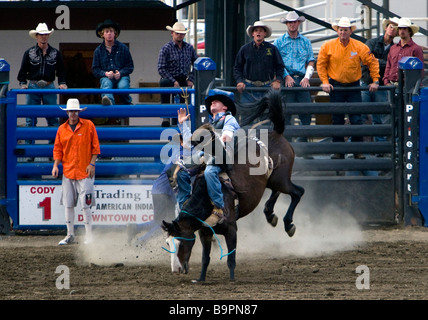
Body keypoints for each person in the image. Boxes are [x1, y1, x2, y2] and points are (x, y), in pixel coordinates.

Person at [316, 17, 380, 160]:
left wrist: (375, 80)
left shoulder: (359, 46)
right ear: (337, 31)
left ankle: (357, 150)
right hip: (336, 86)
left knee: (356, 119)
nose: (343, 32)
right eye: (341, 29)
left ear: (350, 31)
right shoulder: (328, 46)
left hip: (353, 87)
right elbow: (321, 64)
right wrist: (325, 81)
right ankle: (339, 151)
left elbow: (372, 61)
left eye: (345, 30)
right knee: (337, 119)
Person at [178, 89, 240, 225]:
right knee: (180, 171)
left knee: (210, 172)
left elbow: (228, 134)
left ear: (225, 107)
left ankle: (219, 207)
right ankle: (185, 205)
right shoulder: (210, 123)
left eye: (217, 101)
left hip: (222, 155)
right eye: (212, 101)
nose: (213, 101)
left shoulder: (229, 119)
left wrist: (225, 136)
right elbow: (190, 143)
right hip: (207, 154)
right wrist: (183, 124)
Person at [52, 98, 100, 245]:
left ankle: (89, 236)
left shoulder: (89, 125)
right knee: (68, 203)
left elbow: (95, 147)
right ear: (67, 112)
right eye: (71, 111)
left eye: (75, 111)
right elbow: (58, 149)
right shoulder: (61, 129)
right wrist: (56, 165)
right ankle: (70, 234)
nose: (73, 113)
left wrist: (92, 164)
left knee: (86, 204)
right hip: (68, 170)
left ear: (78, 112)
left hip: (84, 171)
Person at [17, 22, 67, 143]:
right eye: (41, 34)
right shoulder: (29, 53)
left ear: (48, 36)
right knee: (30, 118)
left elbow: (61, 70)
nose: (43, 37)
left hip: (49, 85)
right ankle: (30, 151)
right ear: (37, 36)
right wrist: (22, 83)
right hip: (33, 85)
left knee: (52, 118)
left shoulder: (56, 53)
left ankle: (53, 151)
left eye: (45, 34)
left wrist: (62, 82)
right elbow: (23, 70)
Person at [273, 11, 315, 150]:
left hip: (301, 79)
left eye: (294, 22)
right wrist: (286, 76)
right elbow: (277, 62)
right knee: (286, 114)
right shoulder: (279, 42)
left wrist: (306, 77)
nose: (292, 24)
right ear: (287, 24)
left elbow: (310, 61)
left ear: (298, 23)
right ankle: (288, 147)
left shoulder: (305, 41)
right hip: (287, 79)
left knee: (306, 113)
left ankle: (302, 147)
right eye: (289, 22)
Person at [361, 17, 399, 144]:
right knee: (362, 115)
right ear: (386, 28)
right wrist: (386, 63)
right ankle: (361, 146)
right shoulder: (372, 42)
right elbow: (366, 59)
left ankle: (376, 147)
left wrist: (375, 61)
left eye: (395, 28)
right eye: (390, 26)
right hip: (369, 82)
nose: (392, 29)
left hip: (380, 84)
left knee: (378, 116)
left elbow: (392, 64)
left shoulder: (373, 43)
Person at [157, 22, 198, 127]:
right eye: (178, 33)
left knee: (183, 101)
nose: (180, 35)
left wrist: (191, 79)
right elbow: (161, 68)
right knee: (165, 85)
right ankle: (166, 117)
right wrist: (173, 81)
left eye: (182, 33)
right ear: (172, 33)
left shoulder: (189, 48)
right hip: (169, 78)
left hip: (183, 78)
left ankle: (181, 120)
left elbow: (197, 64)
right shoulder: (166, 48)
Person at [234, 21, 284, 103]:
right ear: (253, 33)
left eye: (261, 30)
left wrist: (277, 81)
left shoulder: (272, 49)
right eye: (256, 30)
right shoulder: (244, 49)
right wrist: (240, 81)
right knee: (247, 113)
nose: (258, 32)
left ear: (265, 33)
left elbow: (280, 66)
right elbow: (237, 67)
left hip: (267, 87)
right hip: (248, 87)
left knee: (266, 113)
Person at [92, 19, 134, 106]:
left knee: (123, 86)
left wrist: (121, 73)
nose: (109, 34)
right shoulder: (98, 50)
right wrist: (105, 73)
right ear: (102, 34)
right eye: (106, 31)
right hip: (106, 77)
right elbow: (95, 69)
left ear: (115, 33)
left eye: (111, 31)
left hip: (121, 76)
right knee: (106, 84)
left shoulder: (123, 48)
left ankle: (127, 102)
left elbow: (130, 66)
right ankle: (109, 102)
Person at [384, 17, 424, 87]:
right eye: (400, 29)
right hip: (392, 85)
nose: (402, 31)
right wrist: (386, 81)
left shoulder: (416, 49)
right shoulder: (393, 48)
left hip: (407, 86)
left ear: (409, 31)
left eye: (405, 29)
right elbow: (388, 66)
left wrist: (415, 86)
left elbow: (420, 70)